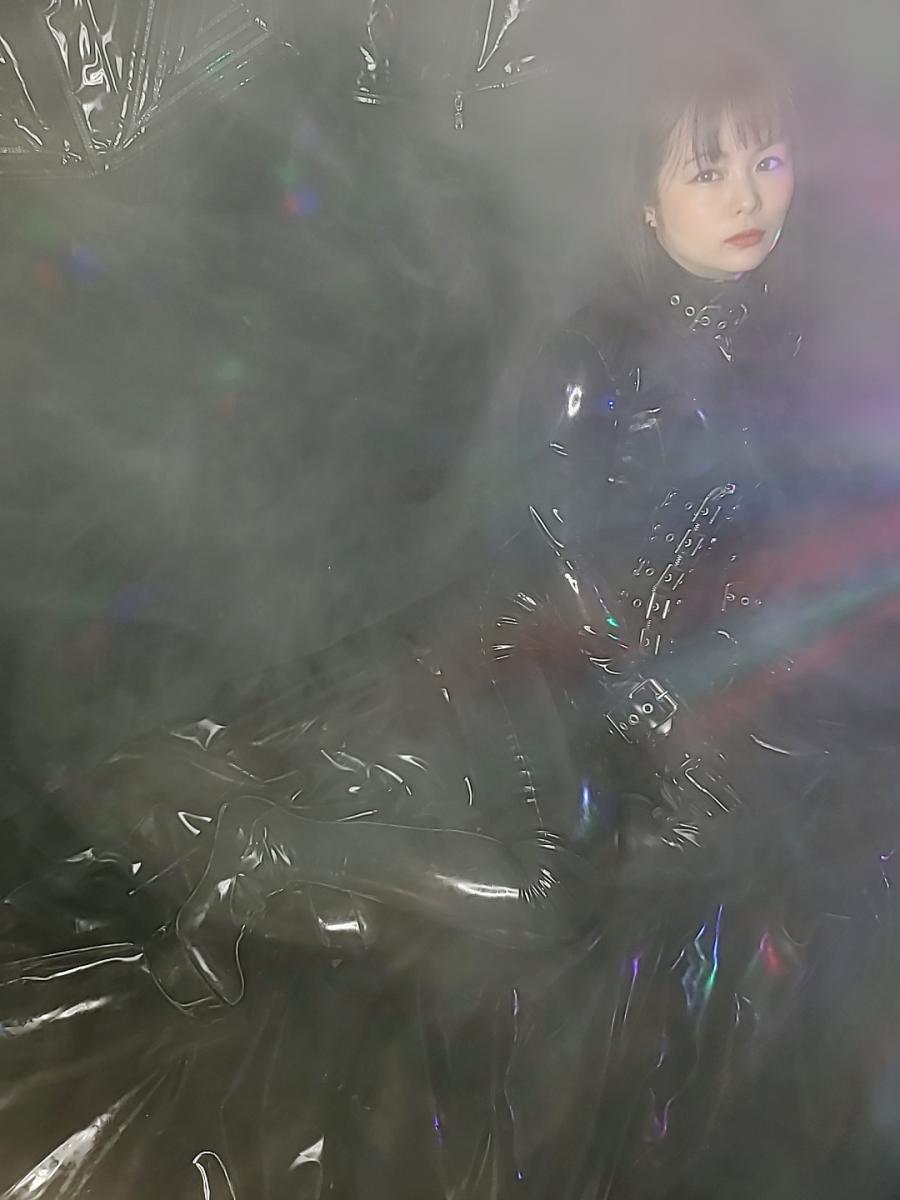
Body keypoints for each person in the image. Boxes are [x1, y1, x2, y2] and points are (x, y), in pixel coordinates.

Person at [1, 31, 893, 1200]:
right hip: (558, 656)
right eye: (709, 169)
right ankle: (253, 850)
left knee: (746, 855)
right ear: (645, 198)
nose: (748, 198)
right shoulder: (602, 347)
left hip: (682, 664)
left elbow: (781, 518)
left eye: (768, 161)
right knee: (548, 888)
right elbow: (558, 554)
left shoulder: (785, 325)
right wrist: (653, 695)